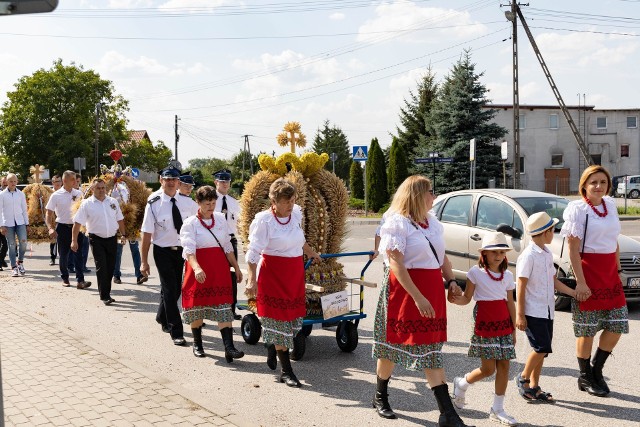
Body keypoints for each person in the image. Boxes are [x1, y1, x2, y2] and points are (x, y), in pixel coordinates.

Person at [371, 175, 470, 426]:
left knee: (431, 351)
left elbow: (442, 257)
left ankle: (447, 414)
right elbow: (396, 264)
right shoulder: (397, 224)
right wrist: (417, 297)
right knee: (390, 350)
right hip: (405, 292)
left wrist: (451, 281)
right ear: (417, 195)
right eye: (430, 192)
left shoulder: (433, 224)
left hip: (432, 290)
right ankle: (380, 396)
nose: (434, 197)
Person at [245, 178, 321, 388]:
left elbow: (300, 239)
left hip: (294, 273)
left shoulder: (295, 213)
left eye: (292, 200)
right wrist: (252, 280)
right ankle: (286, 371)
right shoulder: (264, 221)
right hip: (273, 274)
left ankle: (272, 344)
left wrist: (311, 252)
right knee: (278, 321)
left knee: (294, 322)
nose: (290, 204)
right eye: (286, 201)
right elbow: (253, 252)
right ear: (274, 201)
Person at [560, 165, 629, 397]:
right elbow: (572, 250)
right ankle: (584, 376)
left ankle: (597, 370)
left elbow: (614, 240)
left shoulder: (610, 205)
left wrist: (618, 269)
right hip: (588, 272)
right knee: (587, 330)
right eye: (593, 182)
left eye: (602, 182)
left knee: (617, 325)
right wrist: (580, 282)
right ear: (584, 186)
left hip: (610, 273)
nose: (599, 186)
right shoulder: (577, 209)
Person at [449, 232, 517, 426]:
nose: (499, 255)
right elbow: (467, 299)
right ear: (484, 254)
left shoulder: (508, 275)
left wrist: (514, 329)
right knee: (488, 369)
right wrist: (455, 299)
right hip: (485, 324)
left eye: (502, 252)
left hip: (504, 324)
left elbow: (510, 303)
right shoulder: (475, 273)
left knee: (504, 365)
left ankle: (498, 409)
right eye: (494, 252)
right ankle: (461, 383)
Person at [514, 212, 577, 403]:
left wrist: (573, 293)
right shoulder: (528, 256)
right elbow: (521, 285)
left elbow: (553, 280)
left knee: (543, 351)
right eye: (553, 229)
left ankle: (534, 387)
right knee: (540, 347)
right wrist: (520, 315)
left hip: (547, 310)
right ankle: (523, 378)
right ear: (545, 232)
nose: (555, 233)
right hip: (533, 311)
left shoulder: (547, 254)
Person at [179, 185, 244, 360]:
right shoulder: (190, 223)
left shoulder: (220, 219)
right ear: (198, 202)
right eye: (207, 203)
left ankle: (229, 347)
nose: (211, 207)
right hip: (198, 270)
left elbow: (227, 246)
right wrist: (197, 267)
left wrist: (236, 267)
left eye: (213, 203)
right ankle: (198, 343)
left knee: (223, 305)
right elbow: (189, 250)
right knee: (197, 307)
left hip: (219, 269)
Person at [140, 166, 195, 347]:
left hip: (182, 252)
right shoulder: (154, 203)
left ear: (179, 182)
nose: (171, 182)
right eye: (167, 179)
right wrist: (143, 262)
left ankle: (161, 316)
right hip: (162, 250)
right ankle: (176, 330)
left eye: (174, 179)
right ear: (161, 180)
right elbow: (147, 234)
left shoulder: (188, 203)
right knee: (170, 290)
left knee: (175, 289)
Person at [71, 178, 126, 305]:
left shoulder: (112, 202)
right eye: (98, 188)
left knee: (110, 267)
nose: (101, 191)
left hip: (112, 239)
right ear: (92, 189)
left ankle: (107, 292)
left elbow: (120, 219)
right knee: (102, 267)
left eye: (103, 188)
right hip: (96, 239)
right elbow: (77, 223)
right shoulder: (87, 204)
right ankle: (104, 295)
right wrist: (74, 241)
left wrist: (123, 235)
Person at [45, 170, 91, 289]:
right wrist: (50, 228)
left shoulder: (79, 193)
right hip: (63, 227)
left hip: (77, 227)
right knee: (64, 254)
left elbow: (84, 211)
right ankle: (65, 277)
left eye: (76, 179)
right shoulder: (56, 195)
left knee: (78, 254)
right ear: (65, 181)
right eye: (73, 179)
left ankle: (80, 280)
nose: (76, 181)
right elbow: (48, 213)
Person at [213, 169, 242, 320]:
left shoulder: (233, 202)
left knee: (232, 275)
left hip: (230, 240)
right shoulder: (210, 200)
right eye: (221, 181)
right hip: (214, 241)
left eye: (227, 181)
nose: (225, 184)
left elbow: (238, 223)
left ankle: (231, 308)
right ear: (215, 182)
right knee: (216, 275)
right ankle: (215, 309)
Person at [110, 180, 146, 285]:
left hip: (132, 225)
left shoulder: (129, 188)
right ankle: (116, 275)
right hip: (118, 225)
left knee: (135, 250)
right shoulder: (113, 189)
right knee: (118, 251)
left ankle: (139, 275)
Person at [0, 173, 29, 277]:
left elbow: (25, 210)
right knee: (11, 245)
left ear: (17, 182)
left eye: (14, 181)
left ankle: (20, 262)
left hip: (20, 222)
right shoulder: (2, 195)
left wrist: (27, 223)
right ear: (6, 182)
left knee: (23, 242)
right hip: (8, 223)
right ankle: (13, 267)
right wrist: (1, 225)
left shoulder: (21, 194)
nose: (13, 183)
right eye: (10, 181)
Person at [68, 173, 91, 274]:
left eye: (78, 182)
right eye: (75, 181)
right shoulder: (70, 193)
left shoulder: (83, 192)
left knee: (85, 245)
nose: (77, 183)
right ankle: (71, 265)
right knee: (74, 245)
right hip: (73, 222)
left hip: (84, 223)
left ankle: (83, 265)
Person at [49, 175, 62, 265]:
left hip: (60, 218)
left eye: (59, 181)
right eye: (56, 182)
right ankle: (52, 257)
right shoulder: (49, 193)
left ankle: (63, 258)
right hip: (52, 218)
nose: (58, 183)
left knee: (61, 240)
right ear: (52, 183)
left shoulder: (64, 192)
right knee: (53, 239)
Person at [0, 175, 8, 270]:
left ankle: (1, 260)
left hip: (5, 222)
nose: (5, 183)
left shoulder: (10, 193)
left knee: (5, 245)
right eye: (4, 182)